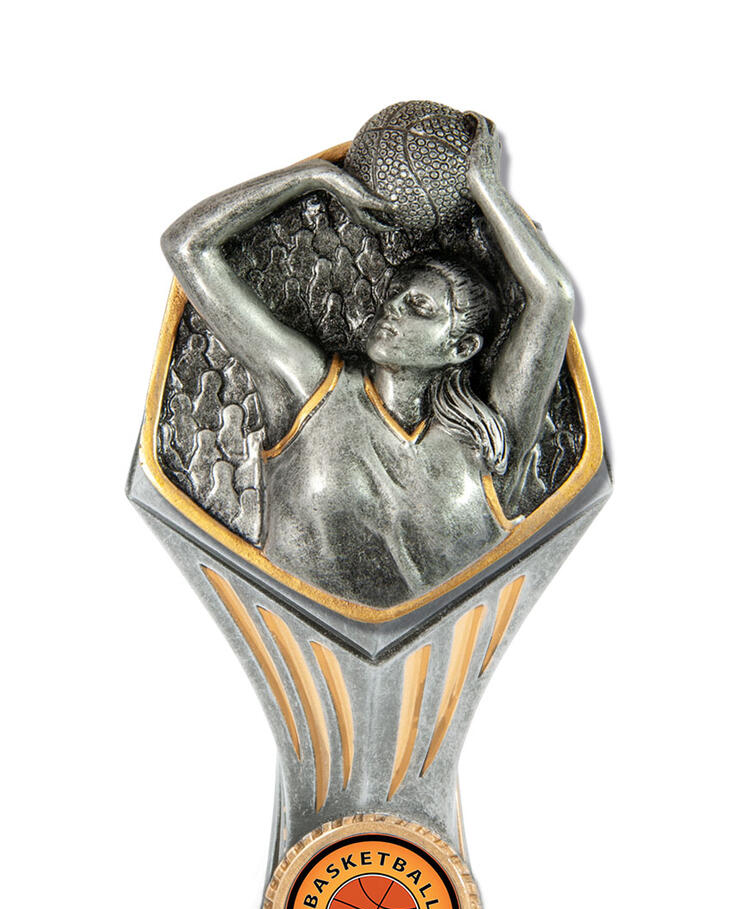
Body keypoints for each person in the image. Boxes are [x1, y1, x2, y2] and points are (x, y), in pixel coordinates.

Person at [161, 117, 574, 607]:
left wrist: (486, 190)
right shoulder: (310, 391)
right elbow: (187, 246)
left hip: (457, 632)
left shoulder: (488, 438)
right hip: (292, 623)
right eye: (394, 294)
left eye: (419, 306)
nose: (392, 307)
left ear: (461, 348)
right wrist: (312, 177)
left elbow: (552, 297)